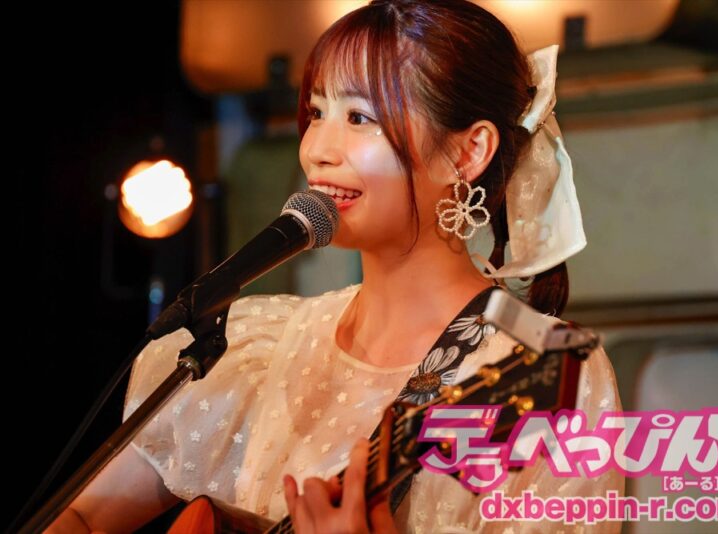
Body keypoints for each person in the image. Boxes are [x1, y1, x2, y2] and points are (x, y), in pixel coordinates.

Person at [46, 1, 623, 532]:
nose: (317, 148)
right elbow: (84, 518)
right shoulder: (255, 347)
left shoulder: (547, 368)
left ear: (466, 152)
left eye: (360, 118)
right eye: (318, 111)